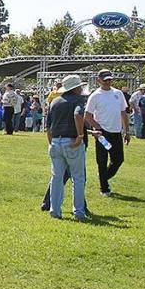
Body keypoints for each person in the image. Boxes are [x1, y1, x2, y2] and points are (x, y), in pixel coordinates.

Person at [45, 74, 89, 221]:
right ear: (75, 88)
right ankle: (79, 211)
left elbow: (48, 125)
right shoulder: (78, 100)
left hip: (55, 141)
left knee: (56, 178)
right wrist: (80, 136)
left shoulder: (55, 101)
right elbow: (78, 115)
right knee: (78, 178)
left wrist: (51, 141)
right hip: (71, 140)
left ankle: (55, 210)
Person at [84, 69, 130, 196]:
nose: (107, 82)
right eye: (105, 80)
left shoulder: (118, 93)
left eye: (109, 80)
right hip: (102, 133)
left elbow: (123, 113)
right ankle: (104, 188)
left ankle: (104, 176)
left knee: (118, 160)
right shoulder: (95, 95)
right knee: (102, 160)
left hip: (116, 132)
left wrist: (126, 131)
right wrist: (97, 127)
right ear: (98, 80)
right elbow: (87, 115)